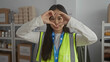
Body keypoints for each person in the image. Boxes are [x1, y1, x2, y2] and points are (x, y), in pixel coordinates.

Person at [16, 4, 98, 62]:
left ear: (65, 19)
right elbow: (20, 33)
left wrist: (71, 21)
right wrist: (39, 20)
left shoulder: (73, 38)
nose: (56, 22)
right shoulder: (41, 37)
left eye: (60, 18)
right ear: (48, 20)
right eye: (52, 18)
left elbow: (93, 38)